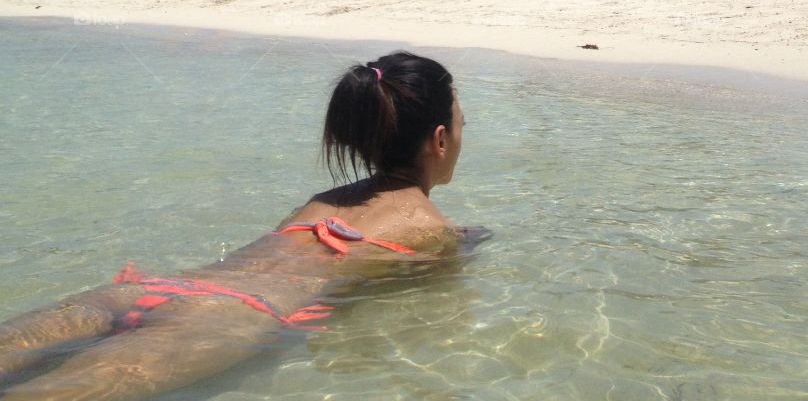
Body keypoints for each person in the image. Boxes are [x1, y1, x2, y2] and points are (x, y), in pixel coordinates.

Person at [0, 52, 468, 401]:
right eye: (463, 123)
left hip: (152, 287)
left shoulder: (322, 202)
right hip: (230, 316)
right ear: (440, 139)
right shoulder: (432, 228)